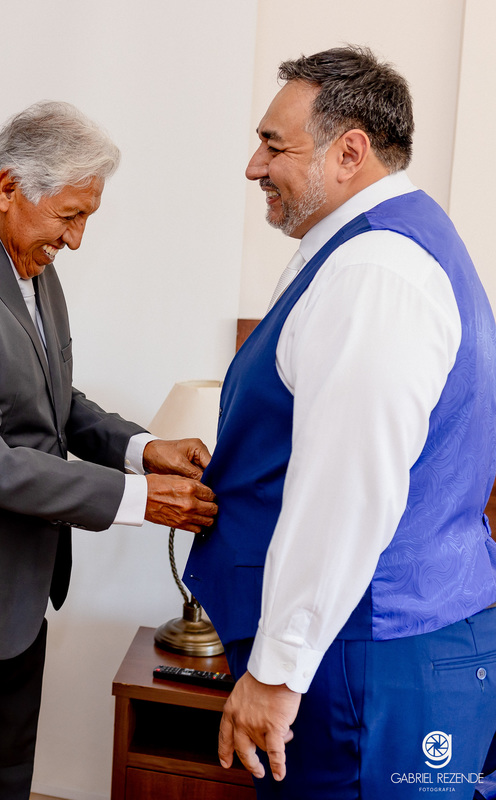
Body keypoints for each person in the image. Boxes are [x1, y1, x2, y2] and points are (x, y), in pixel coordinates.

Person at [0, 100, 219, 799]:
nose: (76, 240)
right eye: (70, 216)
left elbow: (51, 402)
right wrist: (139, 500)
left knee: (3, 783)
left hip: (19, 591)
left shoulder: (31, 261)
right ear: (8, 188)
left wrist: (142, 450)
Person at [184, 46, 496, 798]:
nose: (254, 167)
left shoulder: (375, 273)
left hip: (367, 659)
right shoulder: (365, 250)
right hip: (370, 651)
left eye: (274, 145)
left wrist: (275, 673)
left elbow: (345, 492)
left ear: (349, 153)